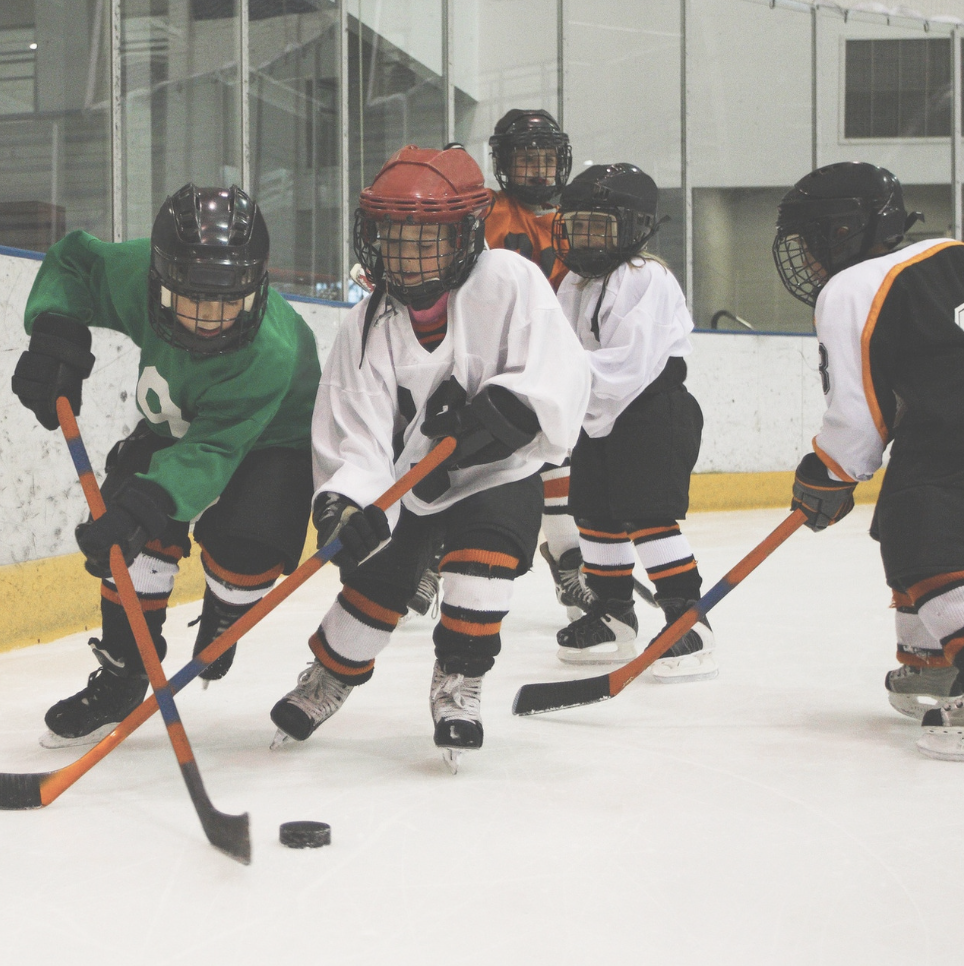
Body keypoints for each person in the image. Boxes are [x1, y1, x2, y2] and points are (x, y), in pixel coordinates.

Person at [268, 145, 589, 769]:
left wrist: (507, 413)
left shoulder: (510, 281)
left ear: (465, 235)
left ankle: (457, 684)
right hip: (407, 480)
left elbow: (556, 371)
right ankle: (329, 676)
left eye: (426, 238)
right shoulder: (365, 325)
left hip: (500, 471)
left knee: (484, 563)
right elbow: (354, 430)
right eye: (394, 237)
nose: (407, 254)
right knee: (376, 583)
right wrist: (346, 502)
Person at [14, 184, 320, 747]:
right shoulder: (137, 272)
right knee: (126, 544)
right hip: (180, 425)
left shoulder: (269, 352)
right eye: (192, 301)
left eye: (229, 303)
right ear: (159, 281)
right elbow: (76, 264)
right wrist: (55, 332)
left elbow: (213, 451)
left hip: (273, 438)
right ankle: (125, 673)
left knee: (245, 551)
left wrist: (152, 502)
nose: (210, 321)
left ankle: (225, 614)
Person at [772, 160, 964, 763]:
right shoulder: (947, 254)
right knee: (903, 521)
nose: (806, 256)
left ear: (844, 230)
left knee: (929, 546)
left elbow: (858, 406)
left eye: (812, 237)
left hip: (962, 414)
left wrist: (831, 470)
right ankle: (930, 663)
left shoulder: (850, 287)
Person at [549, 163, 716, 682]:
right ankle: (615, 615)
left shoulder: (646, 278)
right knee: (595, 517)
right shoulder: (573, 283)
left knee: (649, 518)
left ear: (635, 227)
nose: (587, 236)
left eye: (601, 225)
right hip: (598, 419)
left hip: (653, 415)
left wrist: (556, 378)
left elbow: (628, 367)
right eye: (578, 223)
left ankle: (687, 621)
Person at [483, 108, 594, 623]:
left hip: (555, 357)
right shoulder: (486, 211)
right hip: (492, 356)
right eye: (526, 159)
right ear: (505, 165)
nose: (538, 171)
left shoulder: (583, 217)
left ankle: (569, 559)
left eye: (546, 160)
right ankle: (434, 554)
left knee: (557, 456)